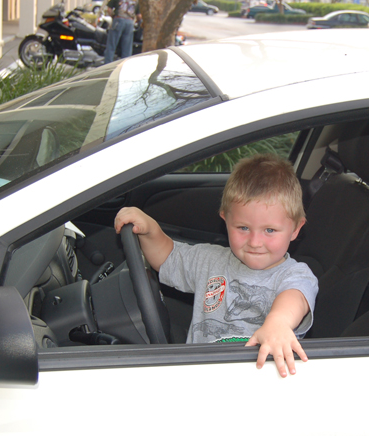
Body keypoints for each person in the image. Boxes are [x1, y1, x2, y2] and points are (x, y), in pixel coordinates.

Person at [114, 154, 318, 378]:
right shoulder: (210, 261)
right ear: (225, 219)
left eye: (270, 230)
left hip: (259, 379)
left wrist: (278, 323)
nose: (255, 242)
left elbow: (295, 298)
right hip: (200, 374)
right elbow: (167, 258)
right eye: (243, 228)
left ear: (296, 229)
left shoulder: (295, 274)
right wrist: (151, 230)